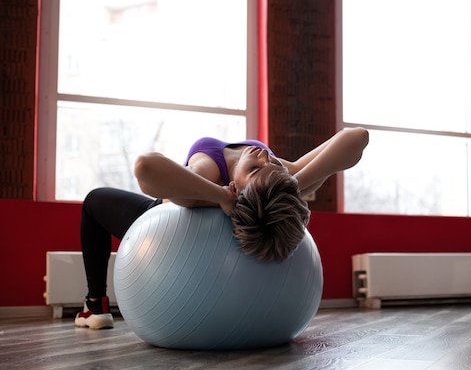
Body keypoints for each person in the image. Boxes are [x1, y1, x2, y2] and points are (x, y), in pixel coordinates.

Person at [75, 127, 369, 329]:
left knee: (93, 203)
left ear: (233, 187)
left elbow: (145, 168)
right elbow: (357, 137)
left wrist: (219, 196)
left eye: (255, 170)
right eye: (270, 166)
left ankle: (95, 304)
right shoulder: (280, 178)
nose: (266, 158)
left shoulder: (210, 172)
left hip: (162, 215)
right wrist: (292, 185)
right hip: (165, 234)